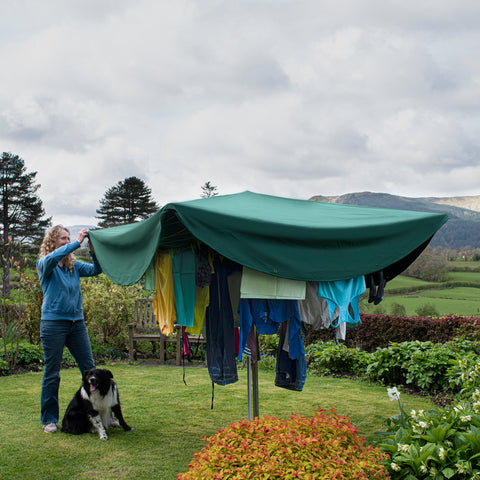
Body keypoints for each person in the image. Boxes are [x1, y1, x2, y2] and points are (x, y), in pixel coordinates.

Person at [37, 226, 102, 433]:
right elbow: (56, 256)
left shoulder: (73, 266)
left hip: (77, 324)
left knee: (90, 369)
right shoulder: (45, 264)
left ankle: (99, 417)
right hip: (53, 324)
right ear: (52, 242)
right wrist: (77, 241)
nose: (66, 242)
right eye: (62, 239)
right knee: (52, 373)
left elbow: (96, 270)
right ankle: (49, 419)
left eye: (68, 238)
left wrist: (91, 250)